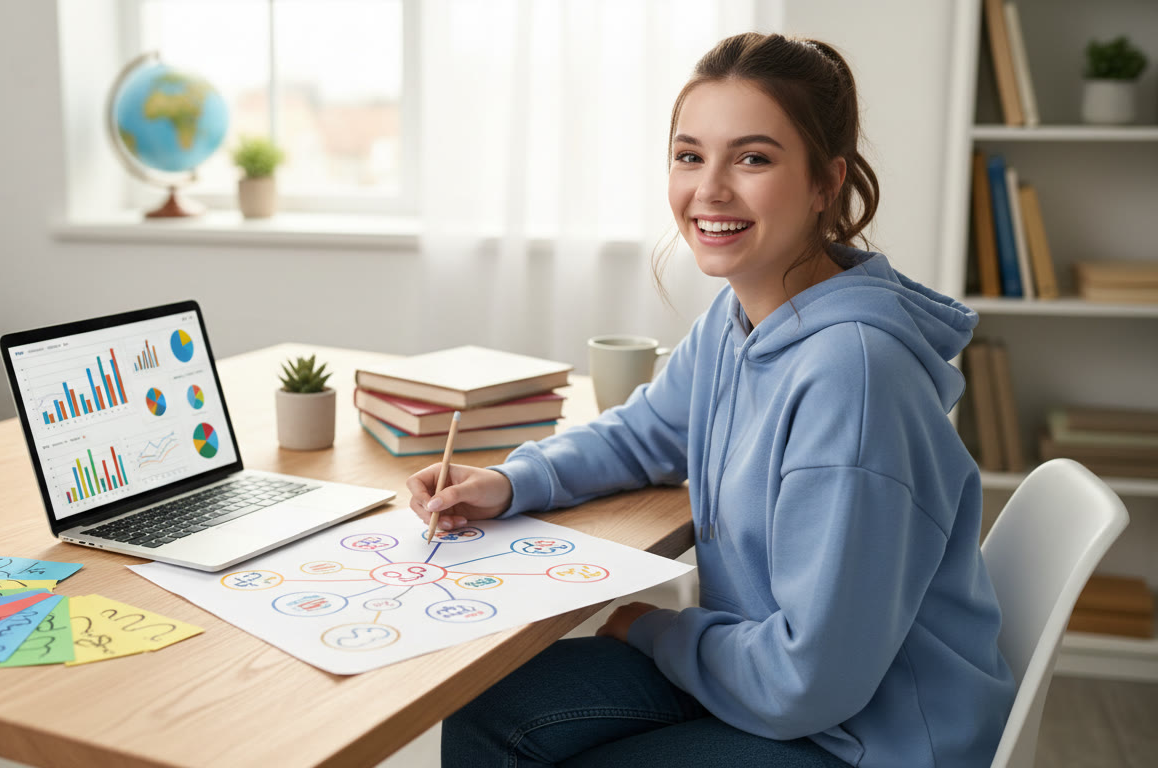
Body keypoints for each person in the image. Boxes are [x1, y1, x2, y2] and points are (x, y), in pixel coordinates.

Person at [406, 32, 1015, 768]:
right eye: (690, 155)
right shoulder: (735, 323)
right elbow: (643, 435)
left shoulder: (854, 379)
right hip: (775, 679)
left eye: (753, 158)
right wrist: (508, 482)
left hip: (867, 738)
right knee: (489, 709)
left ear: (827, 182)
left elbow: (809, 683)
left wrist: (656, 630)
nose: (710, 189)